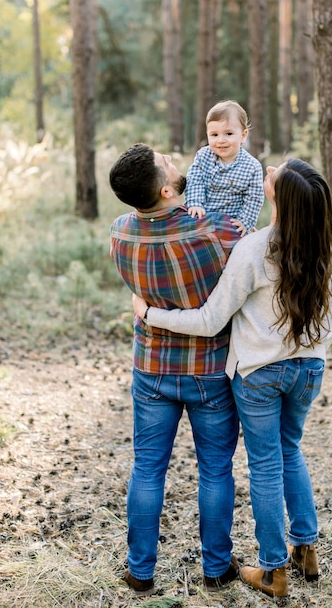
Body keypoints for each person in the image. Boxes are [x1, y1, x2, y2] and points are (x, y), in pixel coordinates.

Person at [133, 158, 332, 604]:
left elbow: (211, 320)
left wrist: (151, 313)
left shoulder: (255, 250)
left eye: (275, 172)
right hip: (310, 367)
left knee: (266, 464)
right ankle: (305, 550)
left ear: (277, 197)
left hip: (260, 374)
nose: (267, 168)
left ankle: (273, 570)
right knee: (291, 450)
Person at [109, 143, 243, 596]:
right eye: (166, 162)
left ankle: (139, 572)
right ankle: (216, 569)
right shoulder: (215, 232)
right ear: (167, 189)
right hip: (208, 369)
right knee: (215, 470)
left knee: (147, 469)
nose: (173, 159)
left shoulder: (119, 234)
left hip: (151, 367)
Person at [185, 100, 264, 236]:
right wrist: (195, 203)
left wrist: (245, 221)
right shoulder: (203, 156)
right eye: (214, 135)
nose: (221, 140)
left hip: (232, 224)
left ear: (243, 136)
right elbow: (194, 180)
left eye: (228, 134)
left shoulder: (252, 166)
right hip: (202, 218)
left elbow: (254, 198)